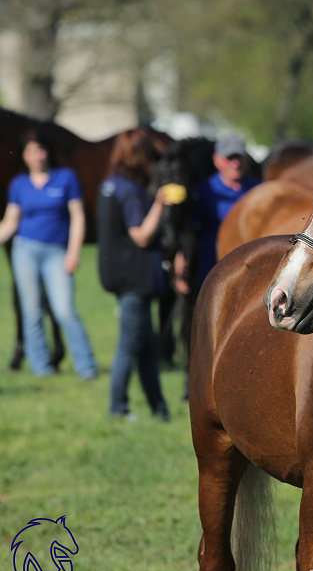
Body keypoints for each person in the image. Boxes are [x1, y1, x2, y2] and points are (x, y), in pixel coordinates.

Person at [0, 130, 97, 379]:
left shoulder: (65, 178)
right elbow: (10, 222)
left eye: (40, 150)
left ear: (48, 152)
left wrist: (73, 253)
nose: (37, 156)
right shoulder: (19, 184)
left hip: (57, 252)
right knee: (31, 312)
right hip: (25, 251)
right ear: (24, 156)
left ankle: (86, 367)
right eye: (31, 151)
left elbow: (78, 216)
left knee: (64, 310)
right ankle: (40, 368)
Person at [97, 128, 172, 421]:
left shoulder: (109, 184)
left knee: (145, 344)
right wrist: (160, 202)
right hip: (134, 279)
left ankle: (159, 408)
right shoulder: (130, 191)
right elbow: (141, 234)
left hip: (119, 274)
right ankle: (118, 408)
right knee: (130, 344)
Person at [188, 133, 260, 291]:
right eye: (229, 158)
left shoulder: (258, 191)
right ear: (216, 160)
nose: (235, 164)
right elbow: (191, 231)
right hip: (213, 267)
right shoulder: (203, 190)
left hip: (250, 268)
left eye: (239, 158)